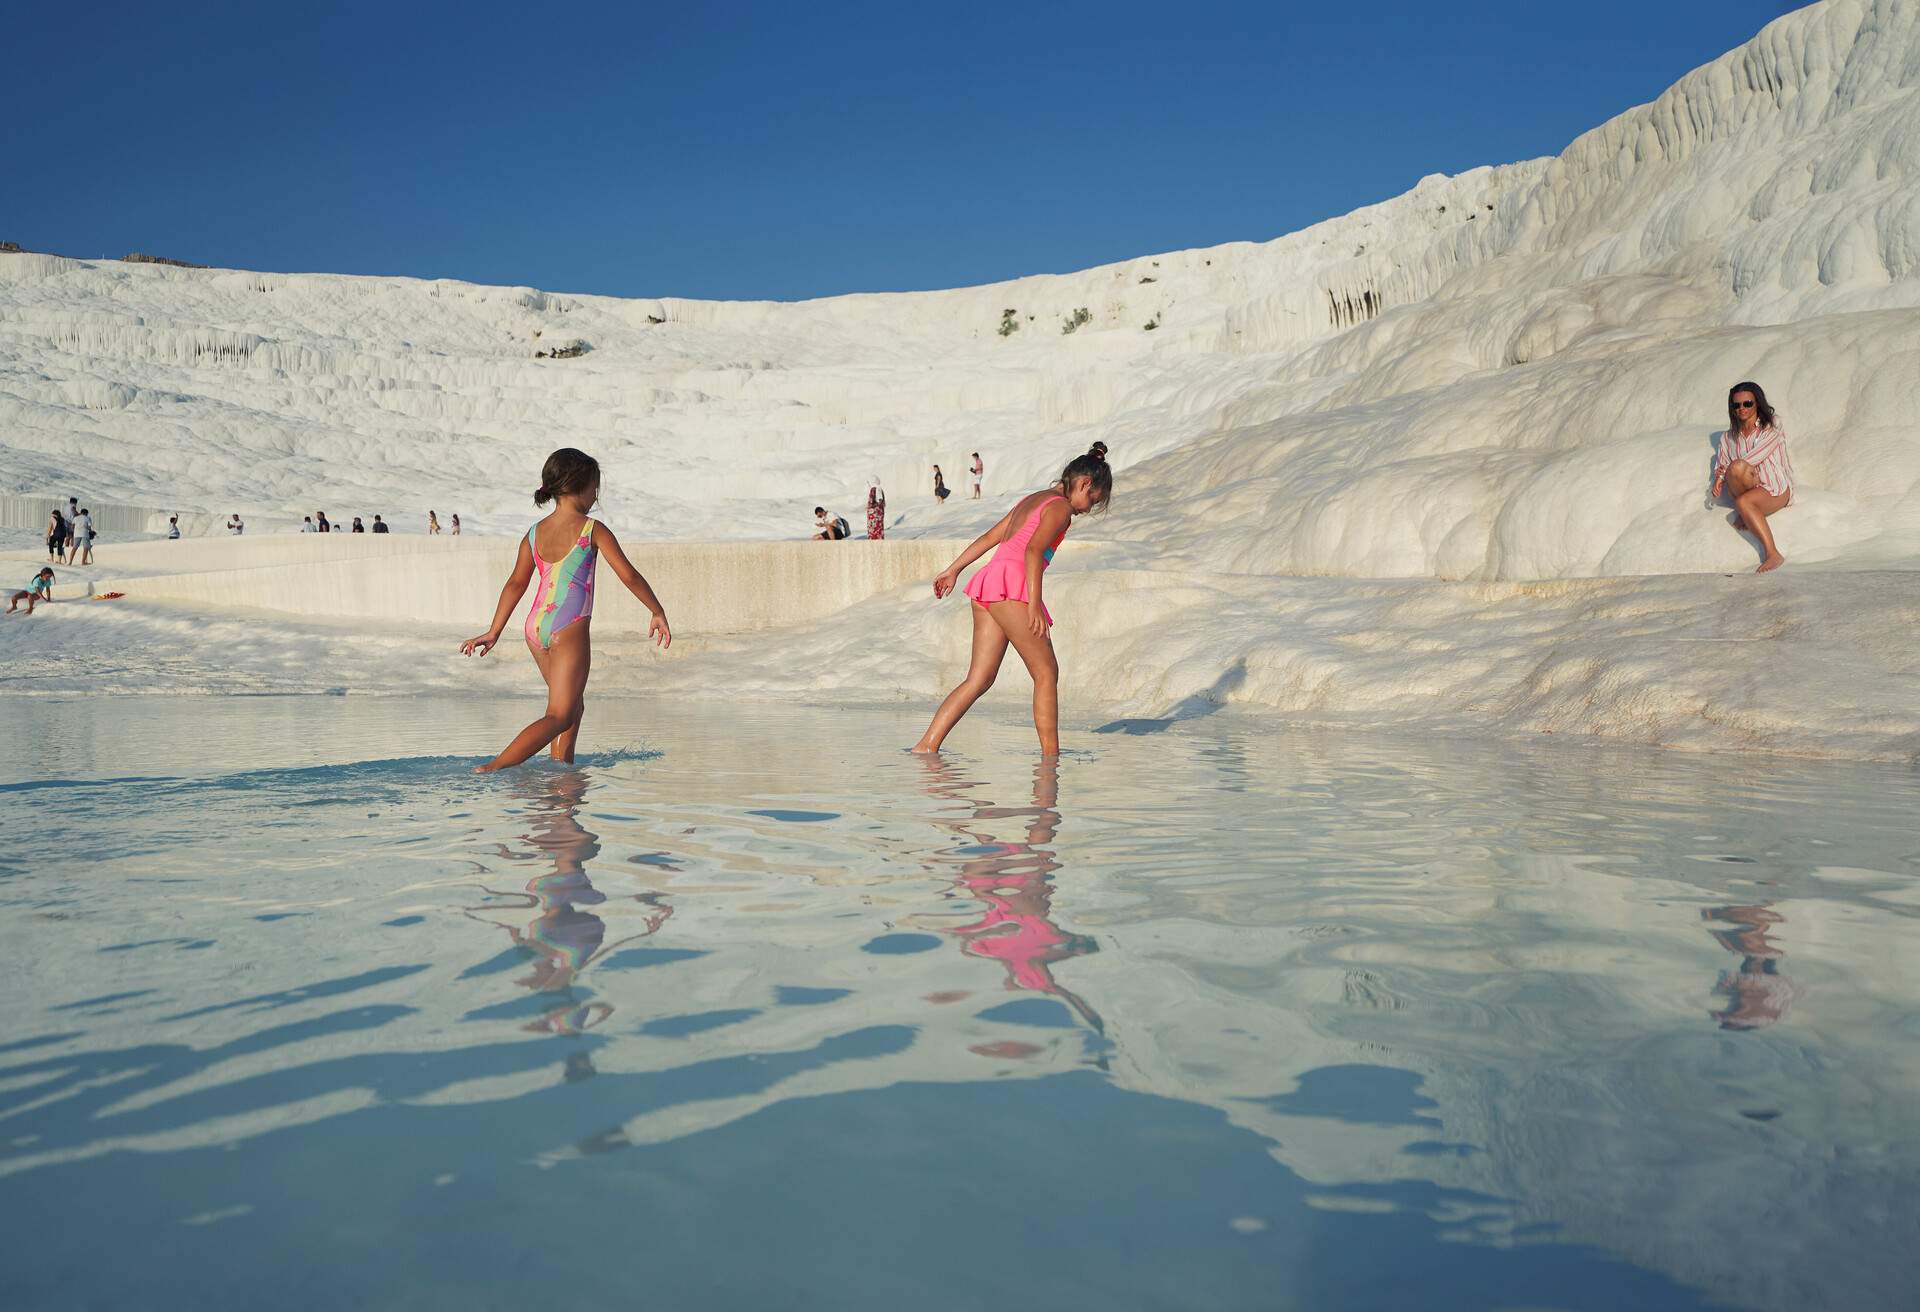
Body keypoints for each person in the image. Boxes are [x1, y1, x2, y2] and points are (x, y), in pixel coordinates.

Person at [461, 447, 672, 772]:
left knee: (571, 707)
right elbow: (628, 574)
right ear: (581, 485)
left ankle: (561, 772)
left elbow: (515, 584)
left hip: (535, 628)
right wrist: (656, 610)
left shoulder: (534, 533)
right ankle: (494, 767)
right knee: (559, 715)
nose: (596, 495)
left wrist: (494, 631)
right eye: (594, 487)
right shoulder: (592, 529)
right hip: (568, 626)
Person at [913, 442, 1113, 756]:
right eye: (1092, 499)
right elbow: (1032, 552)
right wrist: (1034, 604)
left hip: (989, 582)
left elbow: (991, 537)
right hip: (1012, 586)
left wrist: (953, 570)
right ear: (1085, 484)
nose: (1087, 508)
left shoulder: (1033, 499)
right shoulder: (1060, 508)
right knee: (1046, 674)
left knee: (978, 679)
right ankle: (1050, 761)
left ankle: (926, 746)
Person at [1711, 380, 1795, 574]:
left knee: (1738, 468)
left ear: (1757, 403)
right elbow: (1722, 461)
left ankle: (1773, 553)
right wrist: (1719, 476)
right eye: (1736, 405)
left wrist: (1726, 474)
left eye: (1747, 403)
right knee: (1736, 471)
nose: (1742, 408)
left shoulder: (1772, 425)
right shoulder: (1728, 437)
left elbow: (1756, 456)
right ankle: (1746, 509)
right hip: (1749, 487)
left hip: (1775, 487)